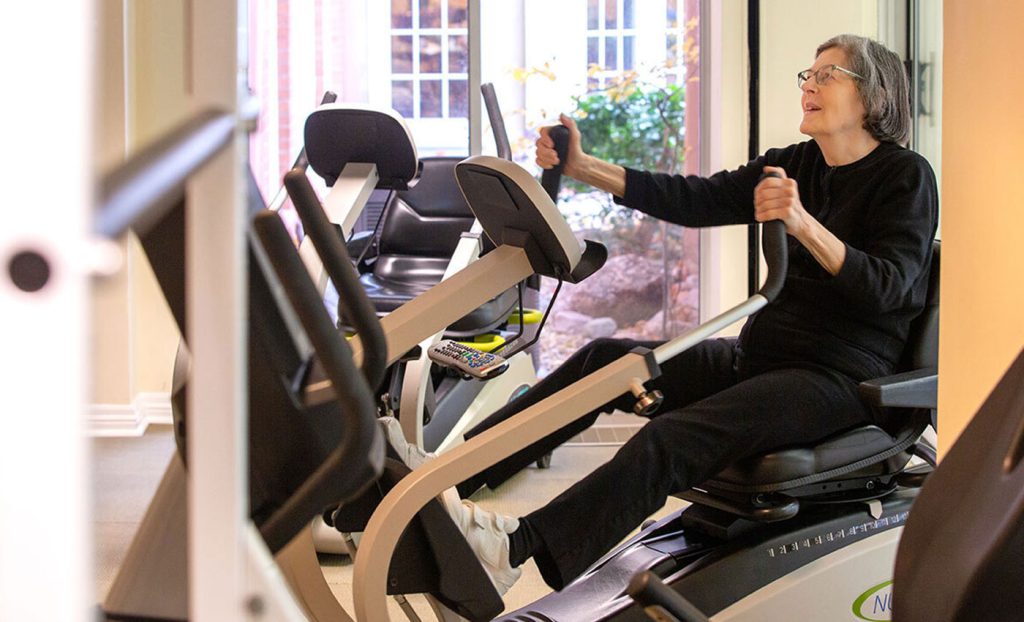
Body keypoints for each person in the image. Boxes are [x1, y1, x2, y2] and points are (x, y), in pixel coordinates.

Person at [392, 33, 938, 596]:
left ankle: (509, 551)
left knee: (670, 441)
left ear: (872, 97)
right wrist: (582, 166)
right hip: (761, 360)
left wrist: (803, 225)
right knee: (606, 362)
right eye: (808, 74)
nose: (809, 85)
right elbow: (693, 198)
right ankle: (443, 478)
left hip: (837, 378)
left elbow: (891, 288)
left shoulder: (906, 176)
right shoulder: (795, 164)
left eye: (828, 75)